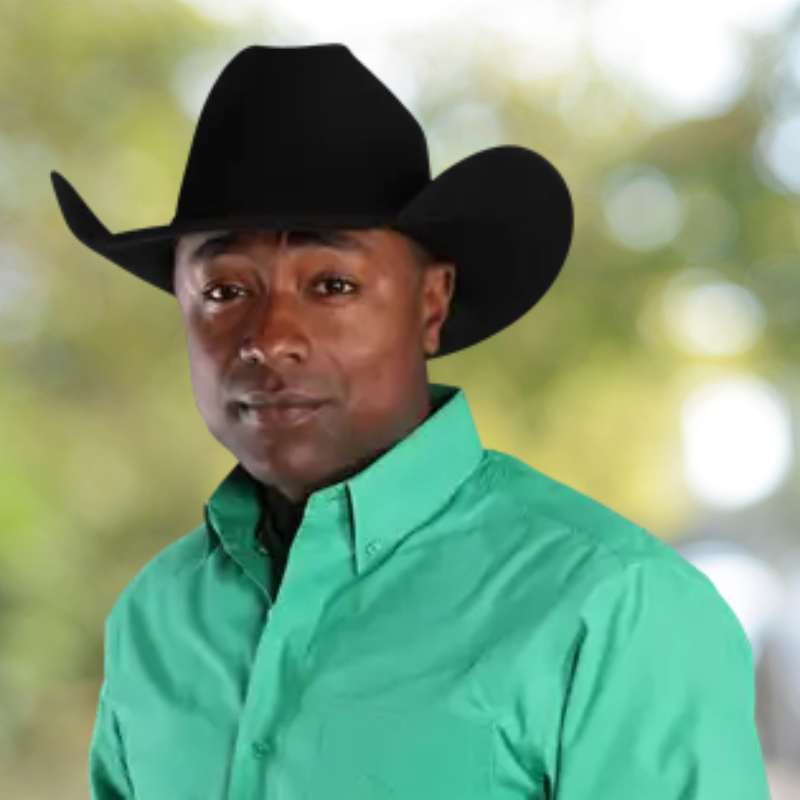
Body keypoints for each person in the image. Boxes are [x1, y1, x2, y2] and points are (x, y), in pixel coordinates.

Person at [51, 44, 771, 800]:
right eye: (225, 290)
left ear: (432, 303)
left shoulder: (616, 611)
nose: (269, 337)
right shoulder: (156, 618)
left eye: (331, 283)